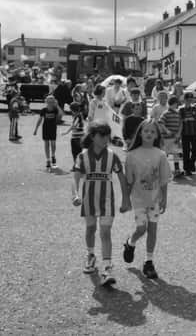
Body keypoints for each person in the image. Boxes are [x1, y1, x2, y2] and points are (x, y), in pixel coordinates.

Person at [71, 121, 128, 286]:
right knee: (90, 228)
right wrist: (75, 194)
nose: (105, 138)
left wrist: (126, 200)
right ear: (92, 136)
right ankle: (90, 255)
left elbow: (122, 178)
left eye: (107, 135)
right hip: (88, 200)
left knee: (105, 233)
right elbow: (75, 177)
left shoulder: (112, 156)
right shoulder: (82, 156)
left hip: (107, 202)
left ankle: (107, 267)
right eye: (101, 135)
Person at [121, 119, 171, 279]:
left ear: (157, 135)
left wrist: (164, 198)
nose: (149, 134)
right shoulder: (131, 155)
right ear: (140, 133)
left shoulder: (161, 155)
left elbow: (164, 179)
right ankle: (130, 242)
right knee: (141, 229)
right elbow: (128, 181)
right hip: (138, 199)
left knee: (153, 230)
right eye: (146, 131)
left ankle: (149, 262)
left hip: (155, 199)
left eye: (152, 131)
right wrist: (125, 200)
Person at [158, 96, 184, 178]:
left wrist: (179, 134)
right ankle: (162, 170)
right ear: (174, 103)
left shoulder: (177, 113)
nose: (177, 105)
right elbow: (161, 123)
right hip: (166, 138)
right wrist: (166, 131)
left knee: (176, 153)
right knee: (164, 154)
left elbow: (181, 124)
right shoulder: (166, 113)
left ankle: (176, 170)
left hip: (175, 138)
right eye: (177, 103)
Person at [34, 95, 61, 171]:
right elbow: (40, 119)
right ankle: (48, 160)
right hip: (45, 128)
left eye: (52, 102)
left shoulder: (55, 109)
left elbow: (61, 114)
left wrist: (57, 105)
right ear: (46, 102)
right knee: (46, 144)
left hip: (53, 128)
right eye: (48, 102)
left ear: (53, 102)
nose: (50, 103)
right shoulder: (44, 110)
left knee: (53, 144)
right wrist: (36, 129)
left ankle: (53, 156)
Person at [179, 92, 196, 176]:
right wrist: (187, 119)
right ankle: (186, 169)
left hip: (194, 132)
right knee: (186, 151)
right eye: (187, 100)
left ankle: (191, 163)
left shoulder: (195, 109)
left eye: (191, 100)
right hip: (185, 133)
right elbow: (180, 120)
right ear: (184, 100)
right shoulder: (181, 109)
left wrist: (190, 119)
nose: (189, 101)